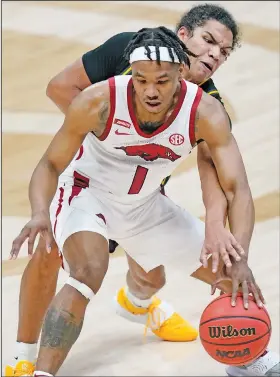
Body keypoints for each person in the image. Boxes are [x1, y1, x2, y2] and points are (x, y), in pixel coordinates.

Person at [5, 4, 279, 377]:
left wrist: (227, 237)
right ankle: (29, 362)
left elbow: (228, 184)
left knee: (229, 273)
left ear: (178, 73)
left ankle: (244, 358)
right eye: (208, 41)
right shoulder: (100, 97)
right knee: (73, 264)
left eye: (223, 51)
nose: (214, 54)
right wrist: (102, 136)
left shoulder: (209, 111)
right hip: (88, 193)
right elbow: (51, 158)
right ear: (183, 42)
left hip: (144, 202)